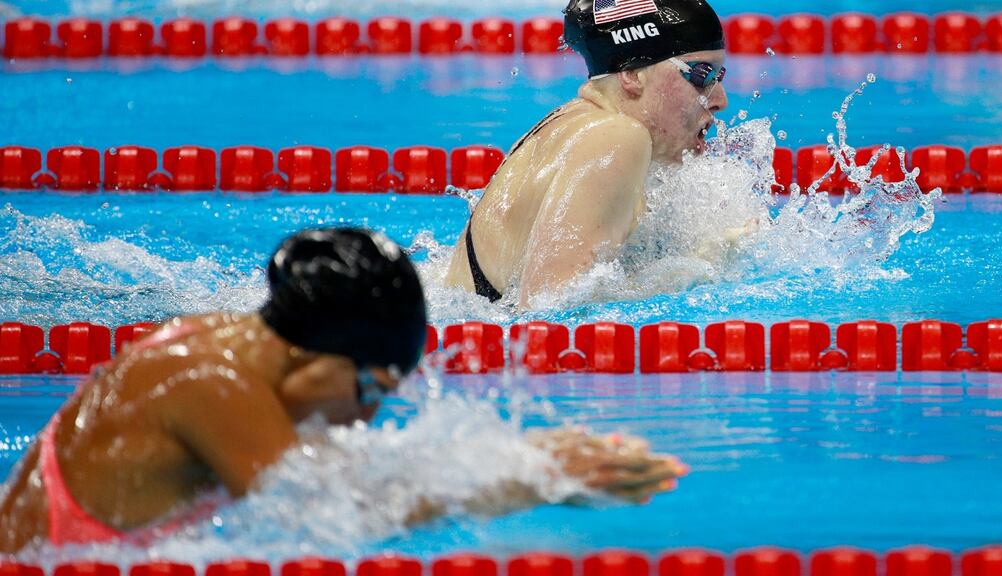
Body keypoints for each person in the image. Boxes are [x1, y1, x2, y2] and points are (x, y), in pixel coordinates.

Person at [0, 227, 684, 553]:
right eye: (370, 389)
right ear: (321, 357)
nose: (364, 416)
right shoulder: (213, 383)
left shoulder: (227, 344)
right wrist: (530, 477)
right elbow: (336, 512)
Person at [444, 0, 730, 308]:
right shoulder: (618, 138)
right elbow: (548, 308)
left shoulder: (576, 124)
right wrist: (697, 267)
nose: (720, 100)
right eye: (701, 75)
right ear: (631, 74)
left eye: (719, 76)